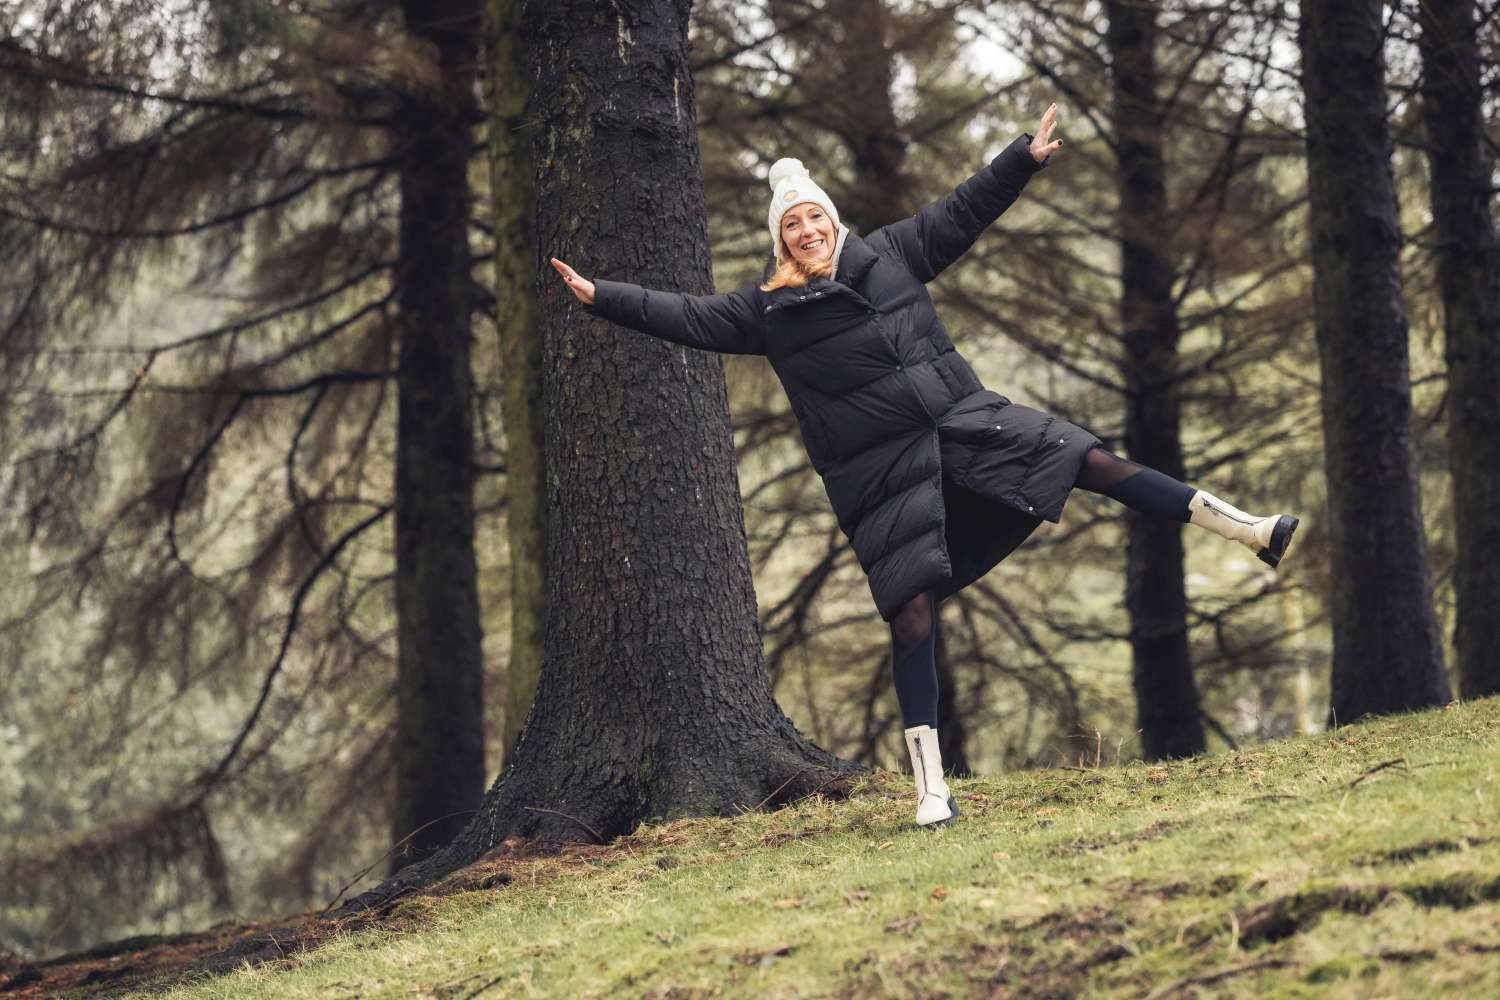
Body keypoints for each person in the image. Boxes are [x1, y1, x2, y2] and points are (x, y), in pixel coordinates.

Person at [550, 103, 1299, 828]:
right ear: (780, 243)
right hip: (884, 477)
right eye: (793, 226)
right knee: (910, 614)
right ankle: (931, 789)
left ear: (833, 220)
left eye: (816, 217)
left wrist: (1020, 159)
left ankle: (1249, 530)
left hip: (968, 424)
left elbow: (961, 211)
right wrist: (601, 297)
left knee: (1087, 458)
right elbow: (681, 315)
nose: (809, 231)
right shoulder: (767, 314)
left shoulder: (892, 255)